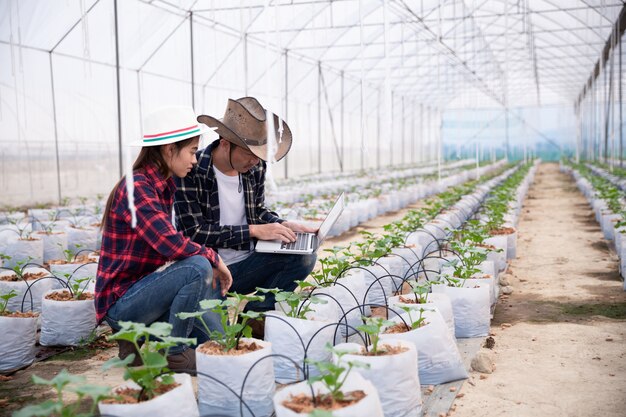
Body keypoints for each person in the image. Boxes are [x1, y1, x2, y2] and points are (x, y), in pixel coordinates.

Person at [95, 106, 232, 373]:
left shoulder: (164, 184)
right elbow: (169, 243)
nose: (195, 159)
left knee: (218, 345)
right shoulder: (137, 188)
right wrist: (213, 258)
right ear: (170, 150)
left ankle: (134, 338)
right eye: (192, 151)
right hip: (123, 301)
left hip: (148, 291)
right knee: (198, 266)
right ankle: (175, 353)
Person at [174, 97, 317, 336]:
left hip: (249, 262)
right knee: (214, 340)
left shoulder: (255, 168)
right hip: (212, 270)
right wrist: (252, 231)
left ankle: (255, 314)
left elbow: (258, 211)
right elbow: (193, 232)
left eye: (259, 154)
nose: (255, 161)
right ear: (225, 143)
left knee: (304, 257)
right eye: (250, 153)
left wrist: (281, 223)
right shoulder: (192, 169)